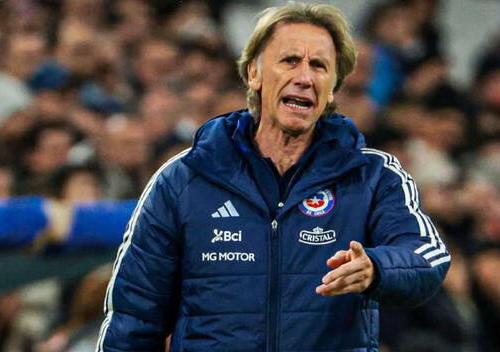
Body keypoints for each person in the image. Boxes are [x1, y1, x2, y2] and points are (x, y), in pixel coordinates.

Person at [96, 3, 450, 351]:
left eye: (320, 66)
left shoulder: (373, 177)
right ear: (254, 74)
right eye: (290, 61)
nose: (305, 77)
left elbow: (426, 257)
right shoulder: (183, 180)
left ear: (332, 89)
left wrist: (377, 267)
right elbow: (135, 317)